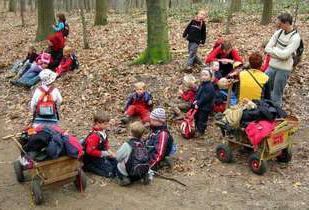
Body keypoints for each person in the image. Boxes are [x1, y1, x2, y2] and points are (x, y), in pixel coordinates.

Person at [265, 12, 301, 107]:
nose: (278, 25)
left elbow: (285, 55)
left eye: (280, 23)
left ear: (287, 23)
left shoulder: (295, 38)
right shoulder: (279, 32)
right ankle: (265, 110)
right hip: (272, 66)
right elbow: (267, 48)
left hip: (284, 69)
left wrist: (274, 51)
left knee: (277, 94)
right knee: (265, 87)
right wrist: (279, 54)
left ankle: (276, 114)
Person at [115, 121, 150, 186]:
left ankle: (125, 178)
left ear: (130, 133)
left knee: (117, 165)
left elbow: (118, 157)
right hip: (140, 170)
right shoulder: (143, 144)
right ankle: (144, 175)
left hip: (129, 171)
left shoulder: (127, 145)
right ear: (142, 134)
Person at [83, 112, 117, 178]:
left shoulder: (103, 131)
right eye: (105, 124)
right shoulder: (94, 136)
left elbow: (105, 142)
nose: (107, 125)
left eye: (107, 123)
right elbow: (89, 151)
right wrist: (103, 153)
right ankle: (90, 167)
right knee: (111, 173)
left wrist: (109, 150)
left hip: (101, 153)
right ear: (98, 123)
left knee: (116, 162)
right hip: (93, 157)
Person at [193, 68, 216, 137]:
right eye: (202, 75)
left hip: (205, 107)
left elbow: (205, 97)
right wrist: (195, 100)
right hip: (199, 105)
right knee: (197, 117)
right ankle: (197, 129)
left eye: (206, 75)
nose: (203, 76)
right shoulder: (202, 84)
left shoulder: (209, 86)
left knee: (202, 119)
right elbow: (198, 93)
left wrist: (198, 103)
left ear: (210, 77)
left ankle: (200, 131)